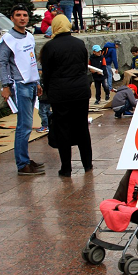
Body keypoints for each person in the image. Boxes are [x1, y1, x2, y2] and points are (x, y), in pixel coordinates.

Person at [41, 14, 92, 177]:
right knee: (82, 127)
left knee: (63, 129)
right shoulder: (79, 43)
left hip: (60, 94)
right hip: (80, 92)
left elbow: (47, 73)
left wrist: (49, 92)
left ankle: (66, 168)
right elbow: (84, 66)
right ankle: (87, 164)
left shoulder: (50, 47)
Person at [0, 4, 45, 175]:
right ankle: (22, 164)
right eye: (18, 15)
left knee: (28, 124)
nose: (22, 18)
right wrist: (5, 86)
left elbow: (32, 60)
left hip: (32, 84)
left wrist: (38, 82)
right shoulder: (7, 40)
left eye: (25, 15)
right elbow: (2, 63)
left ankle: (25, 158)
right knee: (23, 126)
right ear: (12, 18)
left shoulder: (30, 37)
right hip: (19, 85)